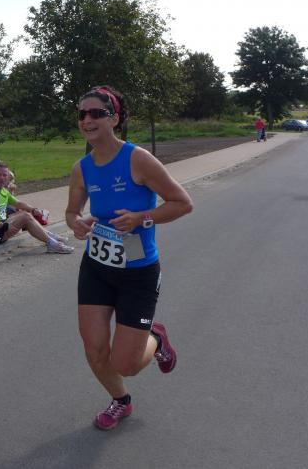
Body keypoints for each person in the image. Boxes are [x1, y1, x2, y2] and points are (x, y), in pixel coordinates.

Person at [65, 85, 193, 431]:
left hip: (138, 271)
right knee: (94, 350)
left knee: (127, 364)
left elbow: (183, 203)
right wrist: (76, 224)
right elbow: (71, 212)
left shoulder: (138, 159)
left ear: (114, 119)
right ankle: (120, 400)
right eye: (82, 114)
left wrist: (141, 219)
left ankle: (156, 338)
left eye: (96, 113)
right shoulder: (81, 168)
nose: (87, 119)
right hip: (97, 267)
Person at [0, 161, 72, 253]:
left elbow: (18, 203)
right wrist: (4, 226)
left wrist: (33, 209)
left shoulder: (3, 190)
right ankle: (52, 243)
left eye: (4, 175)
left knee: (25, 214)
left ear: (7, 177)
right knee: (25, 217)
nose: (2, 178)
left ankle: (50, 238)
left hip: (1, 226)